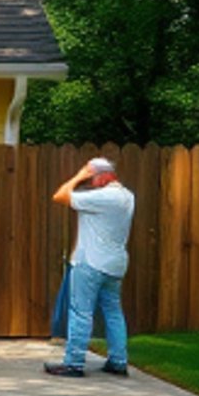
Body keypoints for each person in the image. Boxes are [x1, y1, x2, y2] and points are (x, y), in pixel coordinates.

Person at [46, 157, 135, 378]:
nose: (90, 182)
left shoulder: (103, 197)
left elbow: (60, 195)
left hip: (91, 262)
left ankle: (74, 363)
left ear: (104, 176)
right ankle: (118, 360)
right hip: (115, 263)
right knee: (113, 312)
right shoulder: (128, 196)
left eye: (92, 177)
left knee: (81, 312)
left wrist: (78, 176)